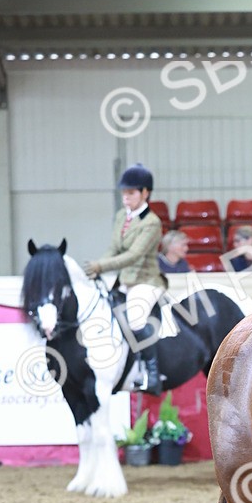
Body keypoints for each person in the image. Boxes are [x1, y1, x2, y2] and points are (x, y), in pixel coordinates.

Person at [84, 164, 165, 395]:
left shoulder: (152, 222)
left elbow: (134, 255)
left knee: (137, 320)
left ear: (145, 193)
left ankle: (152, 375)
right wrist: (96, 268)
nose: (126, 197)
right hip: (122, 279)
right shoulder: (121, 216)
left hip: (145, 281)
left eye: (131, 193)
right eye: (124, 193)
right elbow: (114, 249)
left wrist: (102, 266)